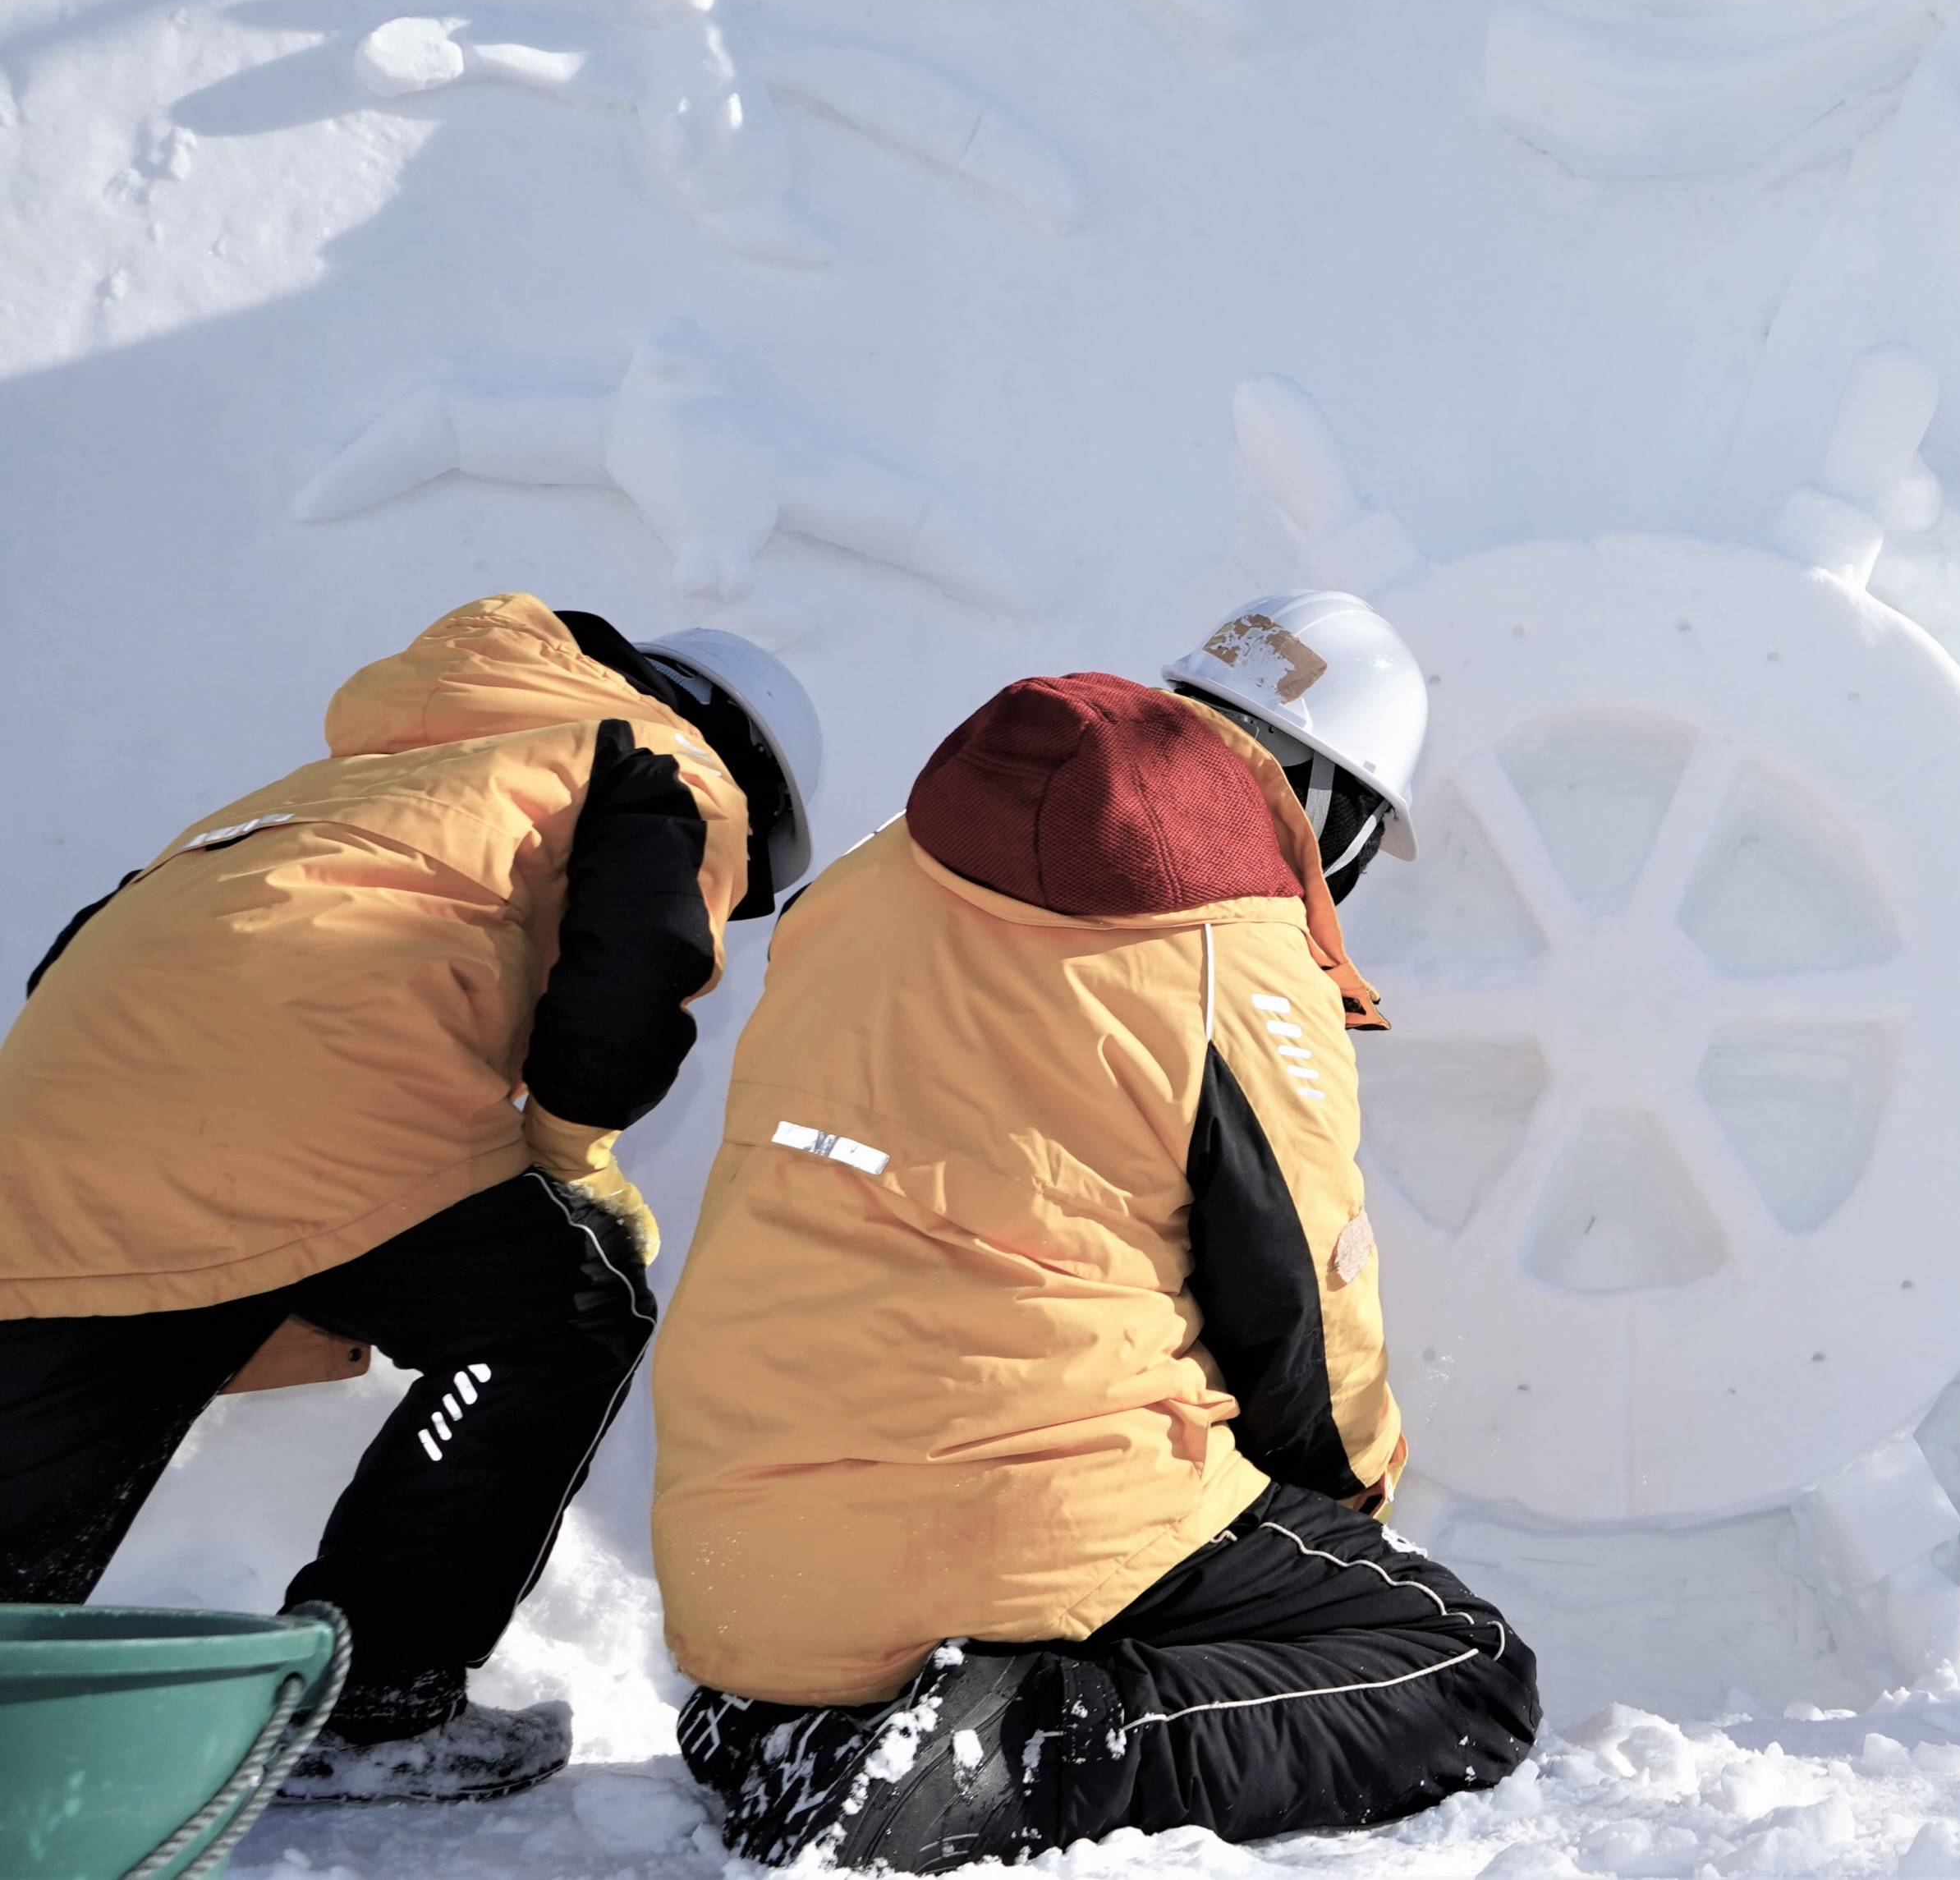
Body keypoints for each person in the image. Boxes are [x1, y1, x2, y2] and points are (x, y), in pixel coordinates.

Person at [656, 591, 1536, 1873]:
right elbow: (1300, 1299)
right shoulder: (1229, 948)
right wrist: (1343, 1517)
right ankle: (1005, 1754)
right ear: (1330, 806)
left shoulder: (877, 869)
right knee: (1463, 1665)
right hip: (1008, 1510)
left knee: (1107, 1517)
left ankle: (789, 1729)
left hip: (736, 1558)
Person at [0, 593, 817, 1802]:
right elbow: (637, 960)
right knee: (564, 1316)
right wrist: (571, 1147)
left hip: (65, 1111)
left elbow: (83, 944)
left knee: (139, 1318)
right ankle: (375, 1710)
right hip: (320, 1092)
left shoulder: (365, 773)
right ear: (745, 758)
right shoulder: (658, 757)